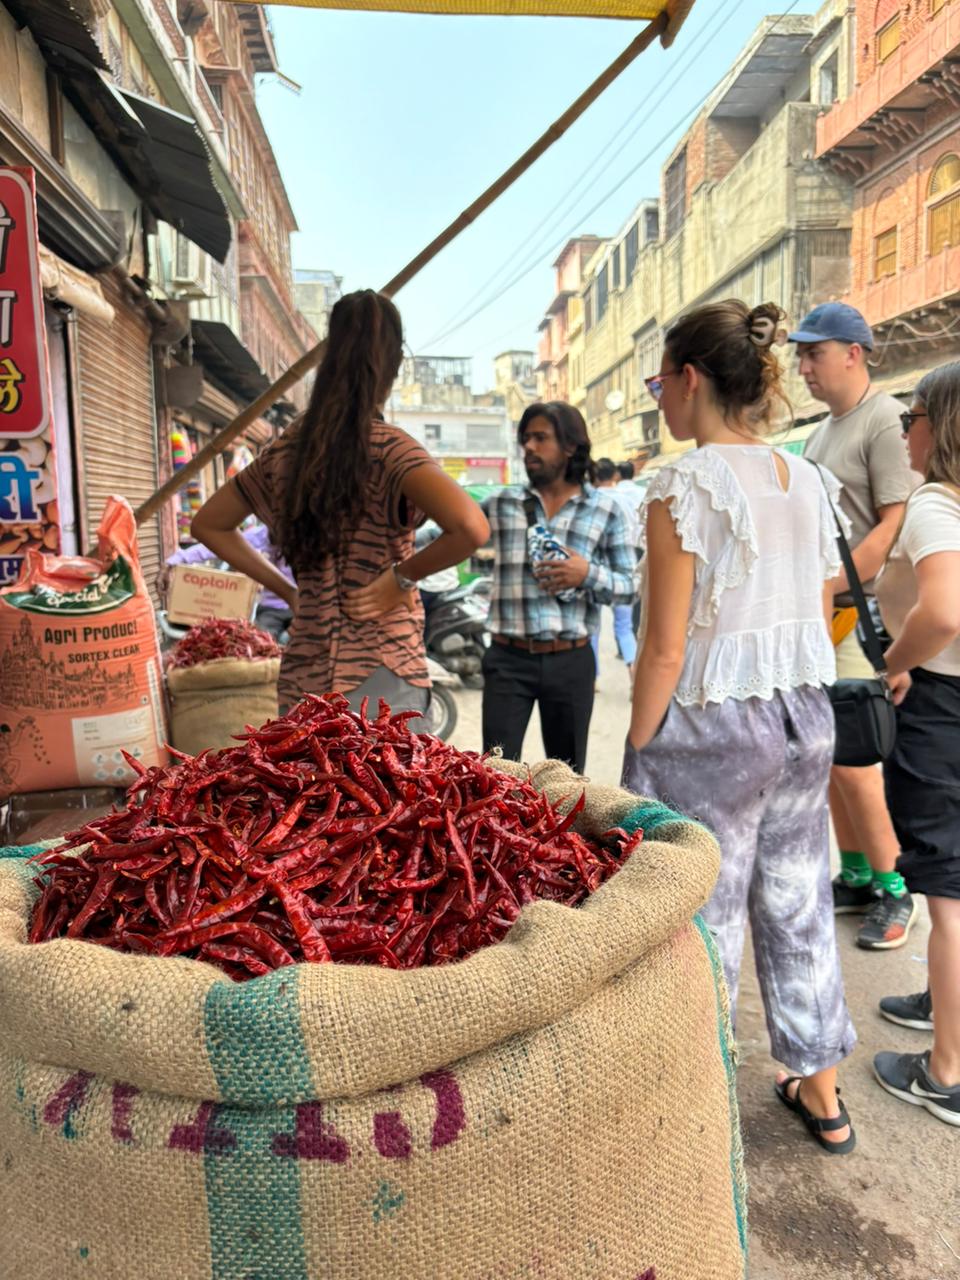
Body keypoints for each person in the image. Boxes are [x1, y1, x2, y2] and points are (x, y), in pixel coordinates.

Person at [622, 300, 856, 1154]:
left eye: (659, 384)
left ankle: (697, 1102)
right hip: (804, 712)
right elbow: (819, 595)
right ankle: (823, 1095)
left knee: (702, 917)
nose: (660, 402)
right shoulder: (808, 479)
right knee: (798, 900)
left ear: (689, 380)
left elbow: (664, 645)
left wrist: (639, 748)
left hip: (713, 722)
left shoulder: (685, 483)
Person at [191, 289, 489, 715]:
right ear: (395, 365)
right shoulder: (390, 450)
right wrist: (400, 578)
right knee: (390, 781)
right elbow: (472, 528)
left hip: (305, 670)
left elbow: (209, 525)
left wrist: (288, 591)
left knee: (306, 781)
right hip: (382, 667)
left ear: (328, 360)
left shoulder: (284, 452)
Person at [792, 302, 920, 951]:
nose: (803, 367)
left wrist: (827, 589)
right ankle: (857, 875)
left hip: (864, 614)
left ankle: (896, 890)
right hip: (827, 610)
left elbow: (893, 527)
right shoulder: (818, 435)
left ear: (854, 353)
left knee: (857, 757)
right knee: (830, 756)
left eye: (814, 353)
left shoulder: (887, 419)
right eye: (801, 354)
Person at [872, 361, 960, 1126]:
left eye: (914, 416)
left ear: (943, 424)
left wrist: (892, 665)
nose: (906, 430)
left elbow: (943, 611)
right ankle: (942, 1006)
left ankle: (946, 1072)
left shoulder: (937, 503)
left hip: (941, 705)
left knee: (948, 890)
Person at [481, 402, 634, 774]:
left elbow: (630, 587)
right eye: (525, 439)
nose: (529, 447)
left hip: (571, 660)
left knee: (565, 781)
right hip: (508, 661)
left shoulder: (606, 510)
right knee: (493, 777)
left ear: (570, 446)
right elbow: (444, 533)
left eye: (540, 438)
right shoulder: (502, 504)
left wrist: (586, 574)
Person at [163, 523, 296, 640]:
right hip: (271, 608)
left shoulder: (314, 535)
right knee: (259, 647)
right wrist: (176, 560)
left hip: (308, 608)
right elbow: (218, 545)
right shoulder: (266, 533)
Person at [592, 457, 639, 675]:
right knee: (624, 626)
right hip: (623, 563)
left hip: (594, 568)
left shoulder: (589, 499)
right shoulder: (628, 499)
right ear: (614, 476)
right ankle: (632, 668)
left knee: (592, 627)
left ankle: (592, 678)